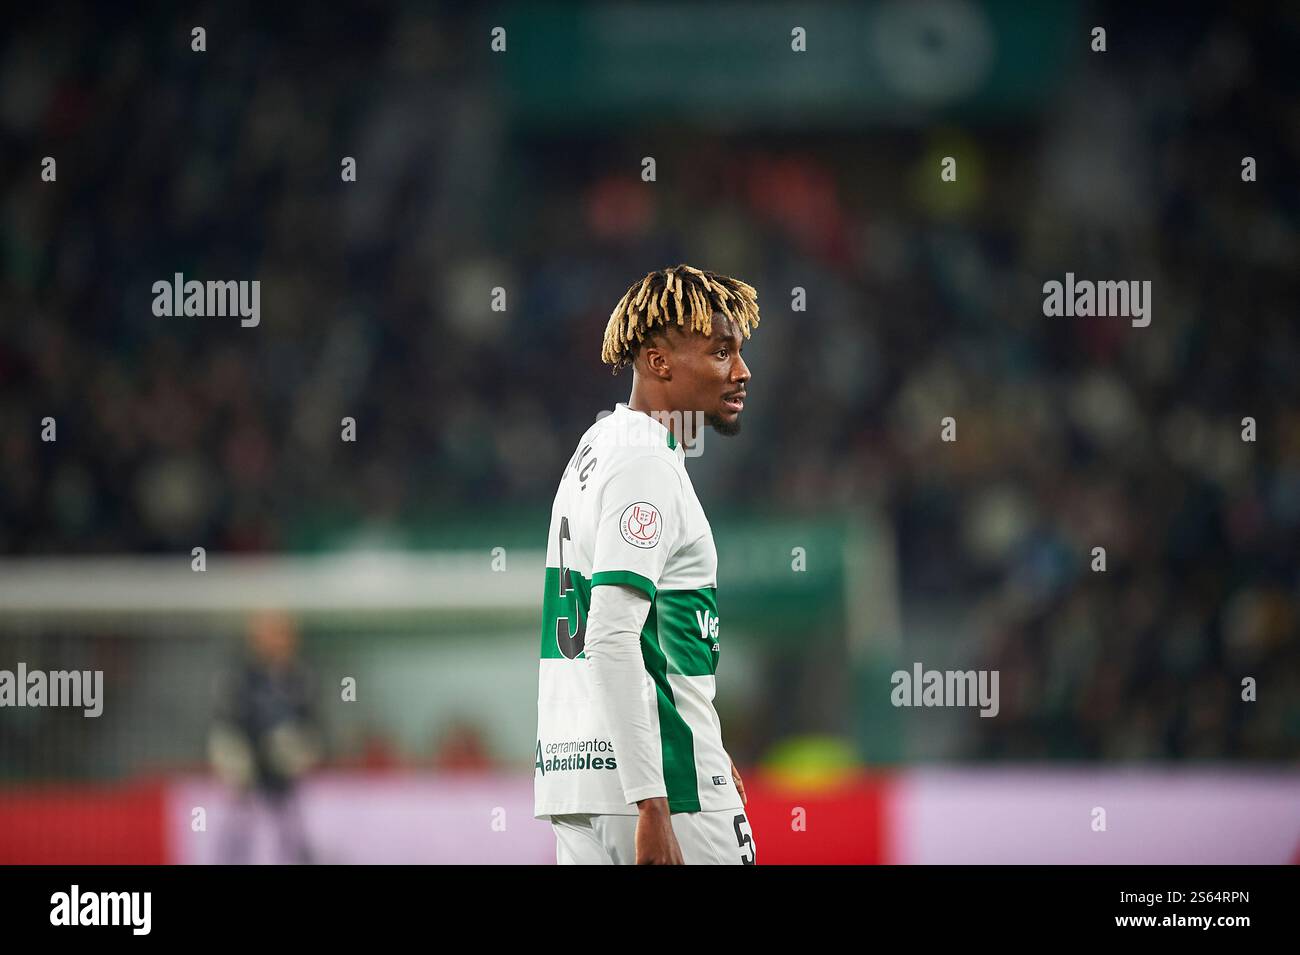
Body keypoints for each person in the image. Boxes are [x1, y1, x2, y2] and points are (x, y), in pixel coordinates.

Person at [534, 264, 760, 864]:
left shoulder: (597, 445)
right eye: (720, 352)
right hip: (664, 790)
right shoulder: (644, 464)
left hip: (576, 777)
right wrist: (653, 803)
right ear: (659, 362)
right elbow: (610, 635)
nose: (740, 371)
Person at [209, 610, 321, 864]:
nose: (277, 641)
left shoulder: (302, 677)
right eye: (270, 634)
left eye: (282, 634)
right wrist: (231, 753)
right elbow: (225, 723)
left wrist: (301, 748)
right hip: (247, 774)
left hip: (283, 775)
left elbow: (315, 726)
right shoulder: (238, 677)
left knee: (292, 834)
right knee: (238, 836)